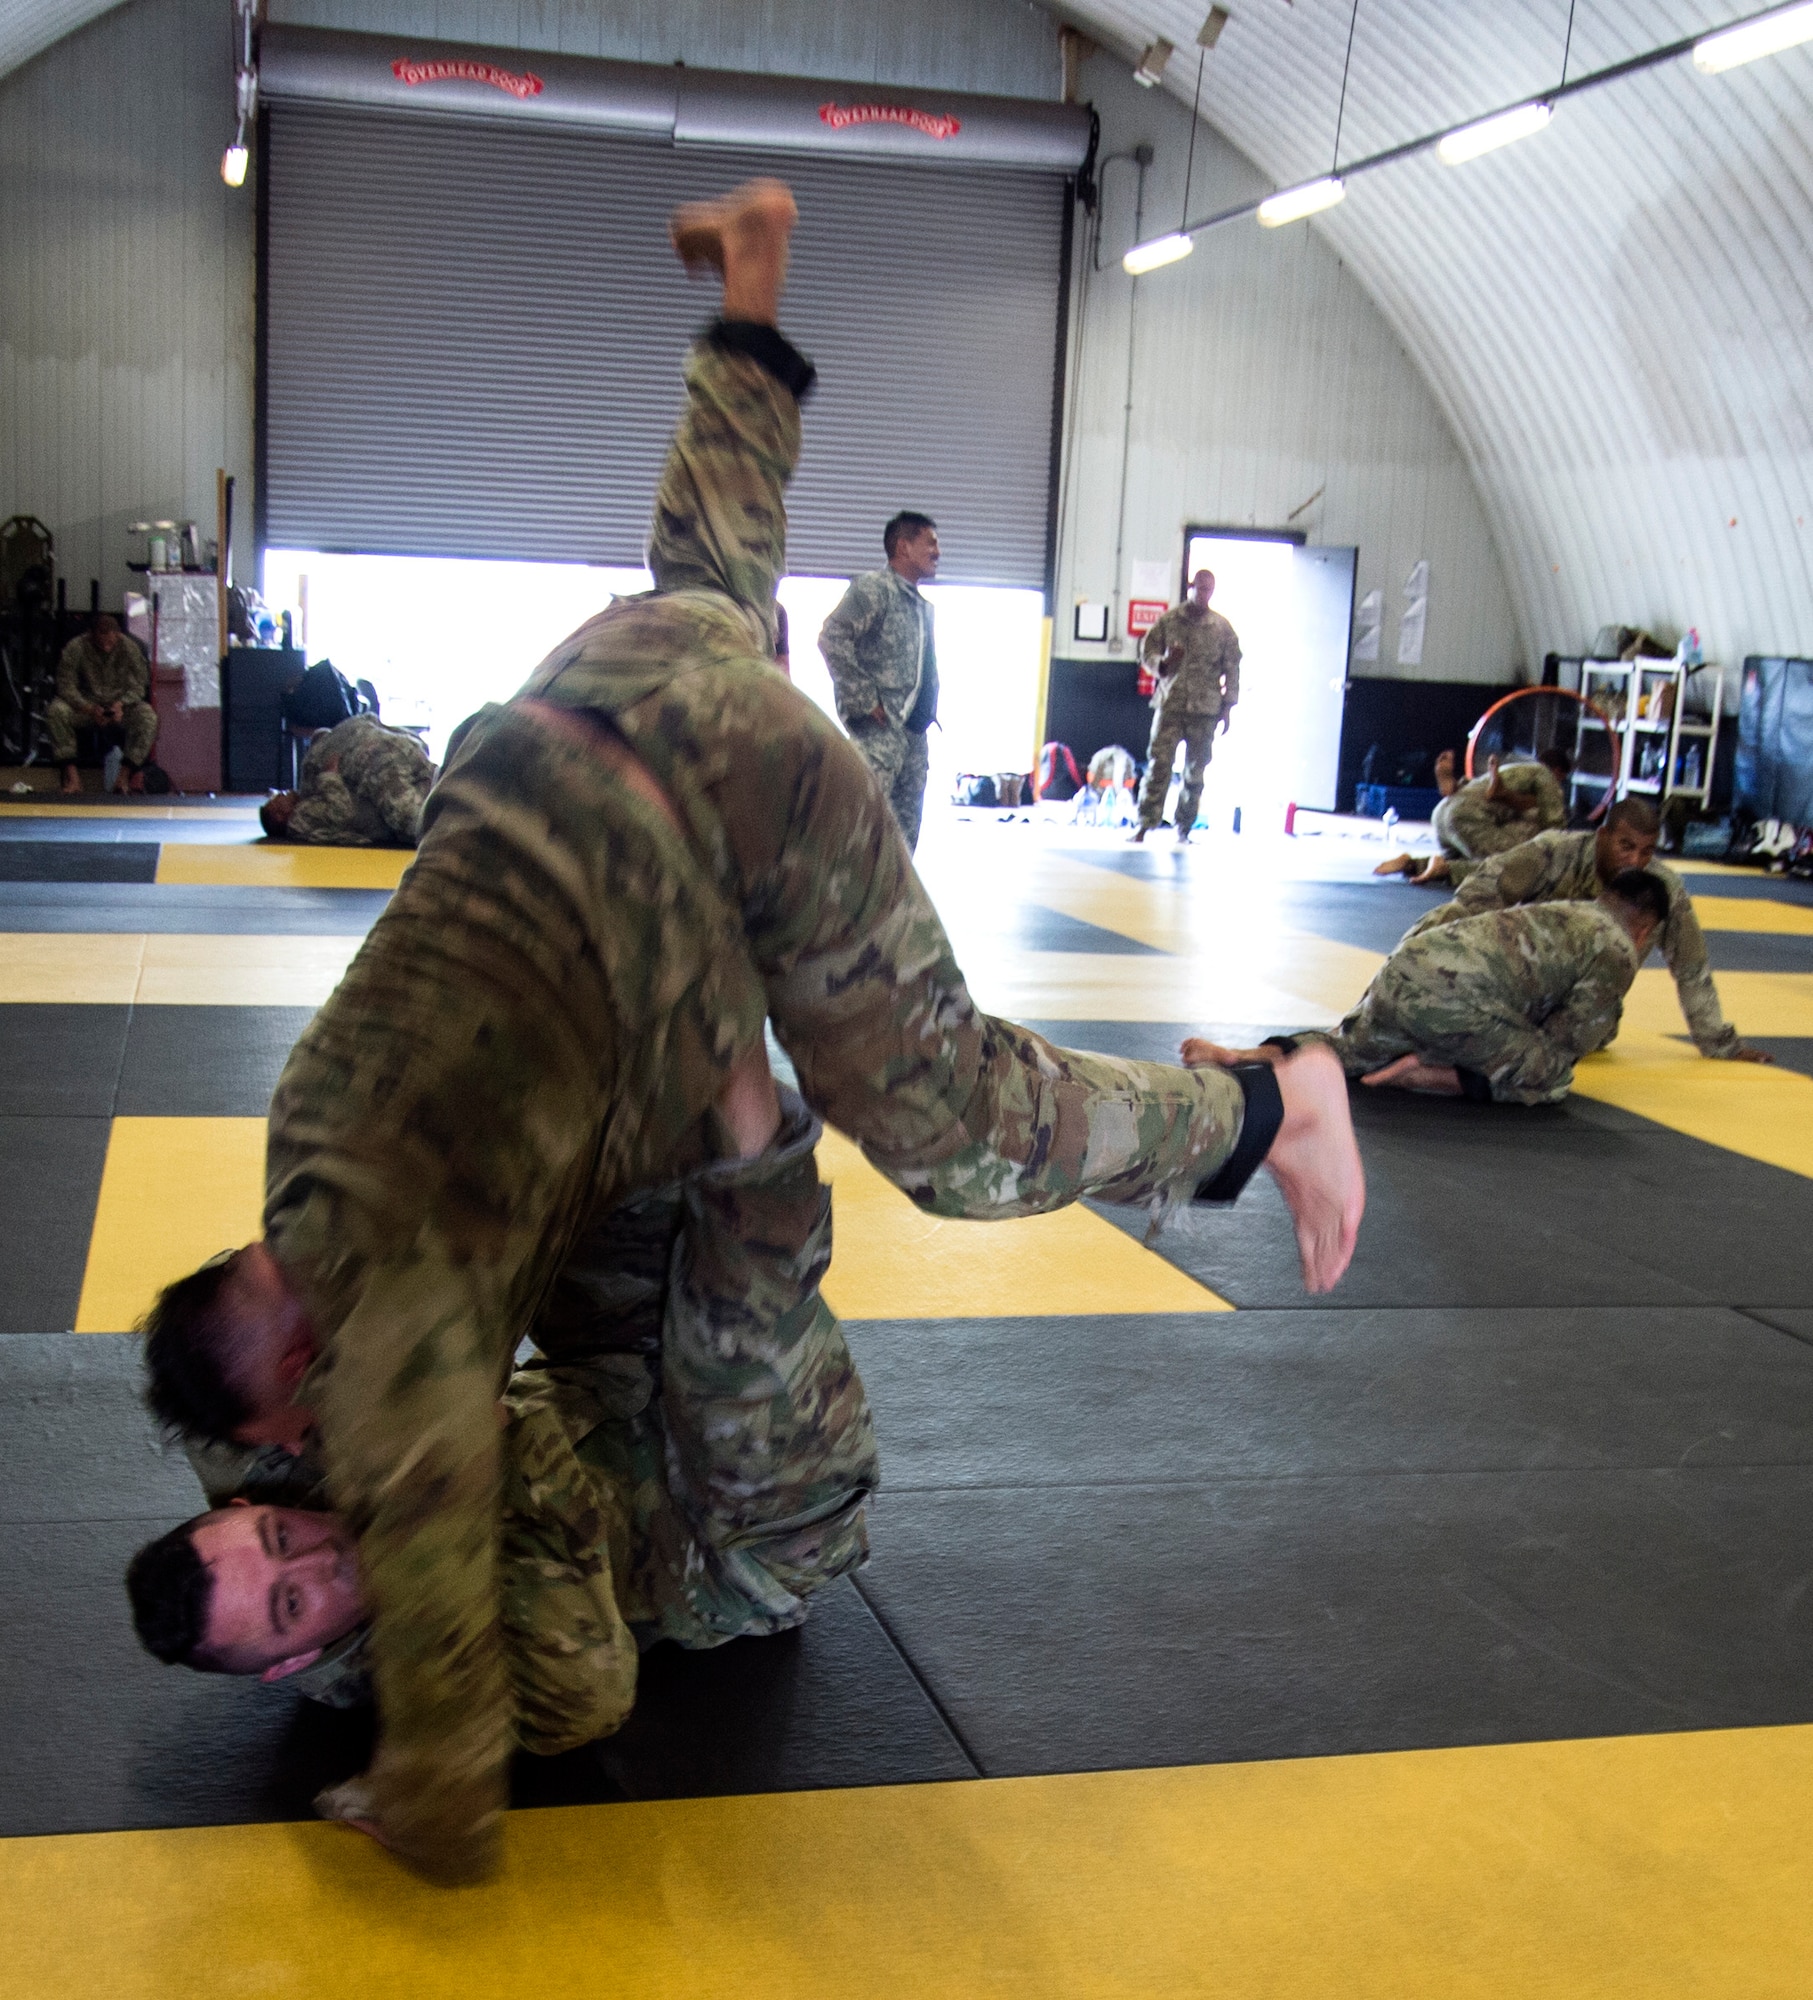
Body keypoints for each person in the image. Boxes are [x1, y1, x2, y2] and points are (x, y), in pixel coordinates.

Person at [136, 181, 1363, 1885]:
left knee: (945, 1124)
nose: (303, 1474)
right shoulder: (303, 1139)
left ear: (293, 1400)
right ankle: (749, 296)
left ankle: (1263, 1111)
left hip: (739, 803)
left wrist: (409, 1791)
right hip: (586, 693)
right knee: (708, 581)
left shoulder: (396, 1338)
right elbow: (234, 1402)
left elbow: (448, 1679)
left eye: (286, 1475)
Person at [128, 1086, 877, 1769]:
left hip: (608, 1376)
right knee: (732, 1325)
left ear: (243, 1509)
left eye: (280, 1538)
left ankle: (689, 1079)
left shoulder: (269, 1467)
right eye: (292, 1604)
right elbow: (591, 1697)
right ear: (287, 1664)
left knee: (580, 1185)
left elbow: (232, 1365)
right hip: (745, 1526)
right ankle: (759, 1129)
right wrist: (486, 1447)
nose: (320, 1560)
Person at [1185, 869, 1669, 1106]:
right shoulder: (1618, 948)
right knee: (1554, 1075)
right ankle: (1427, 1075)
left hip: (1405, 967)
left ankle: (1237, 1055)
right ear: (1645, 929)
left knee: (1344, 1049)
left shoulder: (1568, 911)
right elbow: (1566, 1039)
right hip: (1458, 1003)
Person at [1404, 796, 1772, 1062]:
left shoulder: (1661, 889)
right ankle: (1398, 997)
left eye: (1647, 851)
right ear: (1603, 836)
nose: (1636, 861)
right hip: (1518, 979)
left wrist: (1720, 1044)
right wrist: (1455, 964)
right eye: (1626, 846)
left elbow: (1691, 967)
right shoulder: (1553, 854)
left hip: (1584, 1006)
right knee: (1442, 921)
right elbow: (1479, 892)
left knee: (1544, 1046)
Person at [816, 510, 940, 850]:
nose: (937, 552)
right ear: (903, 547)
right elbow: (832, 637)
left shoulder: (921, 606)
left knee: (904, 835)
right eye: (929, 543)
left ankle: (893, 900)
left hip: (913, 735)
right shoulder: (875, 589)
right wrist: (863, 699)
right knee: (859, 824)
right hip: (880, 733)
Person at [1132, 570, 1240, 845]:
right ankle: (1145, 824)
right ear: (1190, 587)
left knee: (1196, 771)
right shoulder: (1169, 621)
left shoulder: (1222, 628)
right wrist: (1164, 663)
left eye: (1209, 590)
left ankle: (1184, 827)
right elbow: (1147, 652)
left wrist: (1228, 707)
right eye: (1200, 588)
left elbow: (1232, 668)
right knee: (1159, 766)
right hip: (1172, 704)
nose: (1204, 595)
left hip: (1205, 710)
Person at [1374, 749, 1571, 885]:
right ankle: (1446, 870)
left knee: (1468, 859)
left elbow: (1515, 804)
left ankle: (1414, 864)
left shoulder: (1516, 771)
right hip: (1468, 818)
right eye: (1561, 779)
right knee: (1510, 867)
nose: (1560, 783)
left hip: (1444, 813)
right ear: (1558, 771)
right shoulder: (1545, 776)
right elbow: (1554, 828)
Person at [259, 715, 436, 846]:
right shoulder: (300, 817)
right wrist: (329, 777)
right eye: (276, 801)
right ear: (279, 816)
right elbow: (341, 810)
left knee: (417, 818)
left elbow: (321, 735)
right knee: (416, 821)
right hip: (392, 752)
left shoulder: (307, 787)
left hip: (383, 752)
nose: (282, 794)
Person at [47, 613, 158, 794]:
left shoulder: (129, 648)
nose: (107, 644)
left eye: (111, 639)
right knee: (57, 711)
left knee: (147, 717)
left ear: (118, 635)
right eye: (102, 638)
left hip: (120, 706)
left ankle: (123, 778)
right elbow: (66, 685)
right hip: (85, 705)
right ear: (91, 635)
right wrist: (88, 708)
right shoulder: (77, 647)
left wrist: (122, 704)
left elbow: (139, 685)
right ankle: (73, 779)